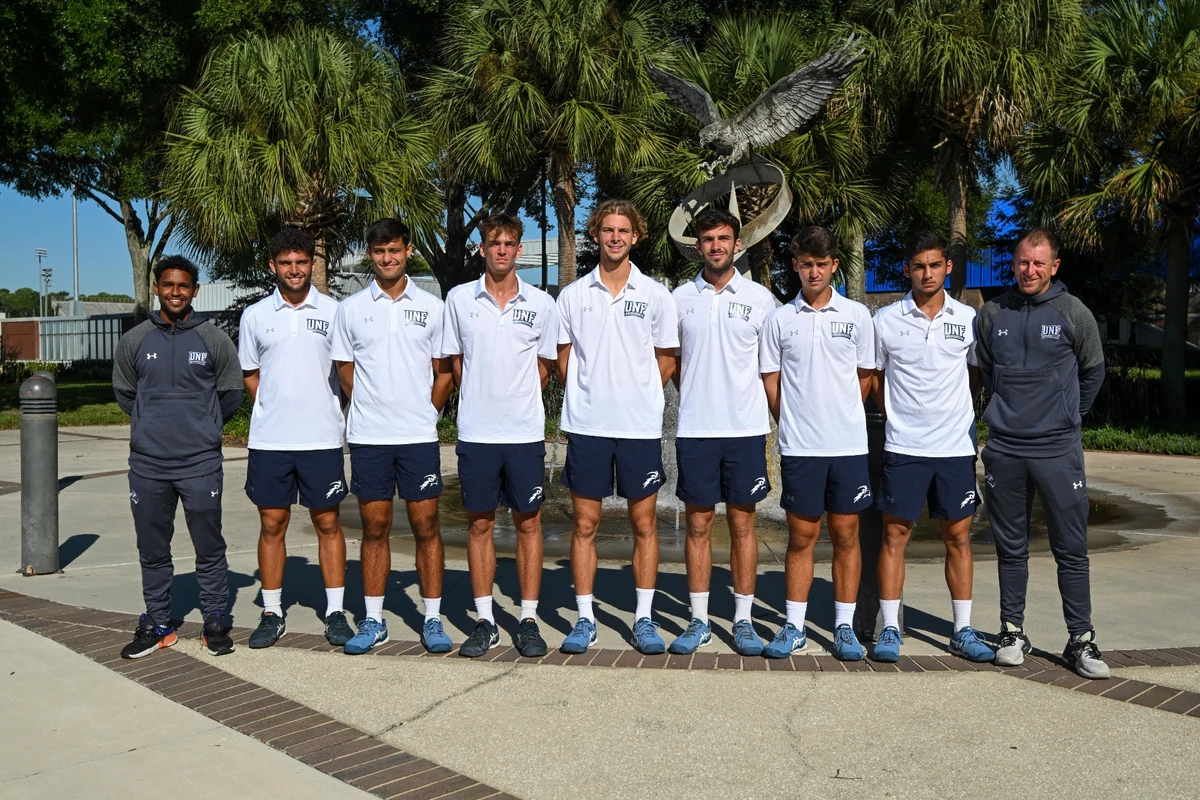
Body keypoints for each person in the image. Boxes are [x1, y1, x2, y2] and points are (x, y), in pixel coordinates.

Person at [975, 228, 1109, 679]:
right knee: (1010, 548)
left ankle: (1082, 640)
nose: (1029, 271)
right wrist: (1008, 414)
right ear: (1013, 264)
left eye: (1038, 263)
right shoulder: (993, 313)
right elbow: (990, 373)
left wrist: (1066, 416)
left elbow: (1093, 372)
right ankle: (1013, 631)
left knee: (1071, 550)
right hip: (1006, 449)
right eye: (1022, 262)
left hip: (1057, 450)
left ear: (1054, 267)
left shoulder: (1074, 313)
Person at [556, 199, 679, 655]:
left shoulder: (655, 294)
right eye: (607, 229)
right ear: (595, 234)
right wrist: (591, 393)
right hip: (587, 425)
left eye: (622, 230)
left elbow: (666, 359)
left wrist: (636, 392)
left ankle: (643, 619)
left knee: (643, 523)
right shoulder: (573, 295)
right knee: (585, 523)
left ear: (635, 236)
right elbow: (564, 357)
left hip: (639, 427)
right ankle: (585, 619)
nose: (614, 237)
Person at [330, 218, 455, 655]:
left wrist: (426, 412)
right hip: (369, 437)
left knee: (426, 526)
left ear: (408, 251)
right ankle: (373, 620)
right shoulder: (350, 309)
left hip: (417, 436)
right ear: (371, 254)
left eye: (395, 251)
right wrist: (372, 405)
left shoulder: (433, 306)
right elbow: (346, 371)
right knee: (374, 527)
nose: (387, 258)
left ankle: (434, 618)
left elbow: (444, 372)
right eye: (379, 251)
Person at [869, 231, 994, 664]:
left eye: (935, 265)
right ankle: (889, 629)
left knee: (958, 538)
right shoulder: (886, 320)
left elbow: (974, 377)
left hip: (955, 447)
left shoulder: (968, 318)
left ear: (948, 267)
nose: (927, 273)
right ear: (907, 269)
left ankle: (962, 631)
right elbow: (876, 381)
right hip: (904, 446)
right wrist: (903, 417)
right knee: (894, 535)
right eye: (919, 266)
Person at [112, 255, 242, 658]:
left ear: (194, 291)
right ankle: (158, 621)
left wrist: (201, 426)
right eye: (167, 285)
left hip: (199, 463)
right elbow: (125, 394)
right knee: (152, 547)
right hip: (148, 465)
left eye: (183, 286)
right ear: (156, 288)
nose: (174, 292)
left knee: (209, 545)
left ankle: (216, 617)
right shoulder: (134, 340)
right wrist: (154, 424)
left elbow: (231, 394)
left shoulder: (214, 339)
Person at [441, 213, 559, 658]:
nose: (502, 250)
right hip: (476, 434)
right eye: (494, 243)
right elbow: (456, 364)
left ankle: (527, 618)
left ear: (519, 250)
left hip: (524, 434)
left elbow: (544, 368)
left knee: (529, 523)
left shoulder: (541, 304)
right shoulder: (458, 299)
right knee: (479, 524)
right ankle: (485, 620)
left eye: (510, 243)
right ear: (482, 249)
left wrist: (515, 401)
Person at [760, 226, 874, 661]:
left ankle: (843, 628)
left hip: (846, 447)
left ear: (834, 267)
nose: (813, 272)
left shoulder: (857, 316)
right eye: (805, 264)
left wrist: (838, 415)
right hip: (800, 447)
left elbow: (865, 377)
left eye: (821, 264)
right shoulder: (780, 319)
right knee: (801, 537)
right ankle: (794, 627)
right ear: (795, 266)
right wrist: (791, 419)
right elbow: (771, 378)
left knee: (846, 534)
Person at [668, 208, 775, 657]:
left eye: (724, 238)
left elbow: (770, 370)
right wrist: (698, 395)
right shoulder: (677, 298)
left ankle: (744, 620)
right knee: (697, 525)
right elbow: (673, 365)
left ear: (737, 244)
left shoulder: (760, 299)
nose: (716, 245)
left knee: (742, 524)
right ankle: (698, 620)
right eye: (708, 239)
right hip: (695, 429)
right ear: (698, 246)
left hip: (745, 431)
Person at [239, 228, 353, 649]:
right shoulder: (254, 316)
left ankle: (336, 612)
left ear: (312, 264)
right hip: (271, 441)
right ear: (273, 266)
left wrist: (325, 410)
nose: (294, 270)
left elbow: (345, 373)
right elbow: (250, 374)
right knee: (272, 523)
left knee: (327, 522)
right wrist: (273, 405)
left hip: (322, 439)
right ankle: (272, 611)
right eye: (285, 263)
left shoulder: (335, 311)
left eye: (301, 262)